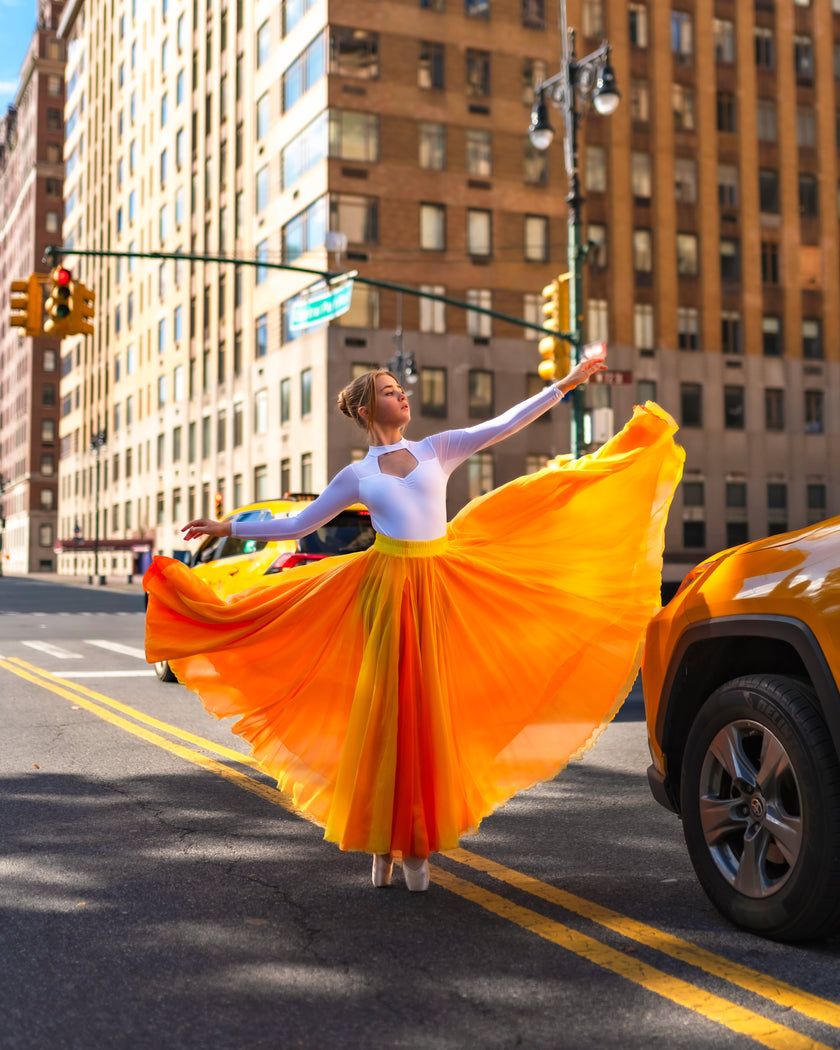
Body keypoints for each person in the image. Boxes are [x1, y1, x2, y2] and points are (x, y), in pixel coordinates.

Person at [144, 358, 684, 893]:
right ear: (364, 408)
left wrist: (564, 385)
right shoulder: (356, 476)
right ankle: (382, 843)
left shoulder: (436, 449)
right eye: (389, 391)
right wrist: (227, 524)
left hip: (440, 588)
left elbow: (502, 426)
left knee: (427, 716)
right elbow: (296, 524)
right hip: (385, 592)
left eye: (400, 390)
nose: (403, 397)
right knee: (386, 717)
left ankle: (417, 843)